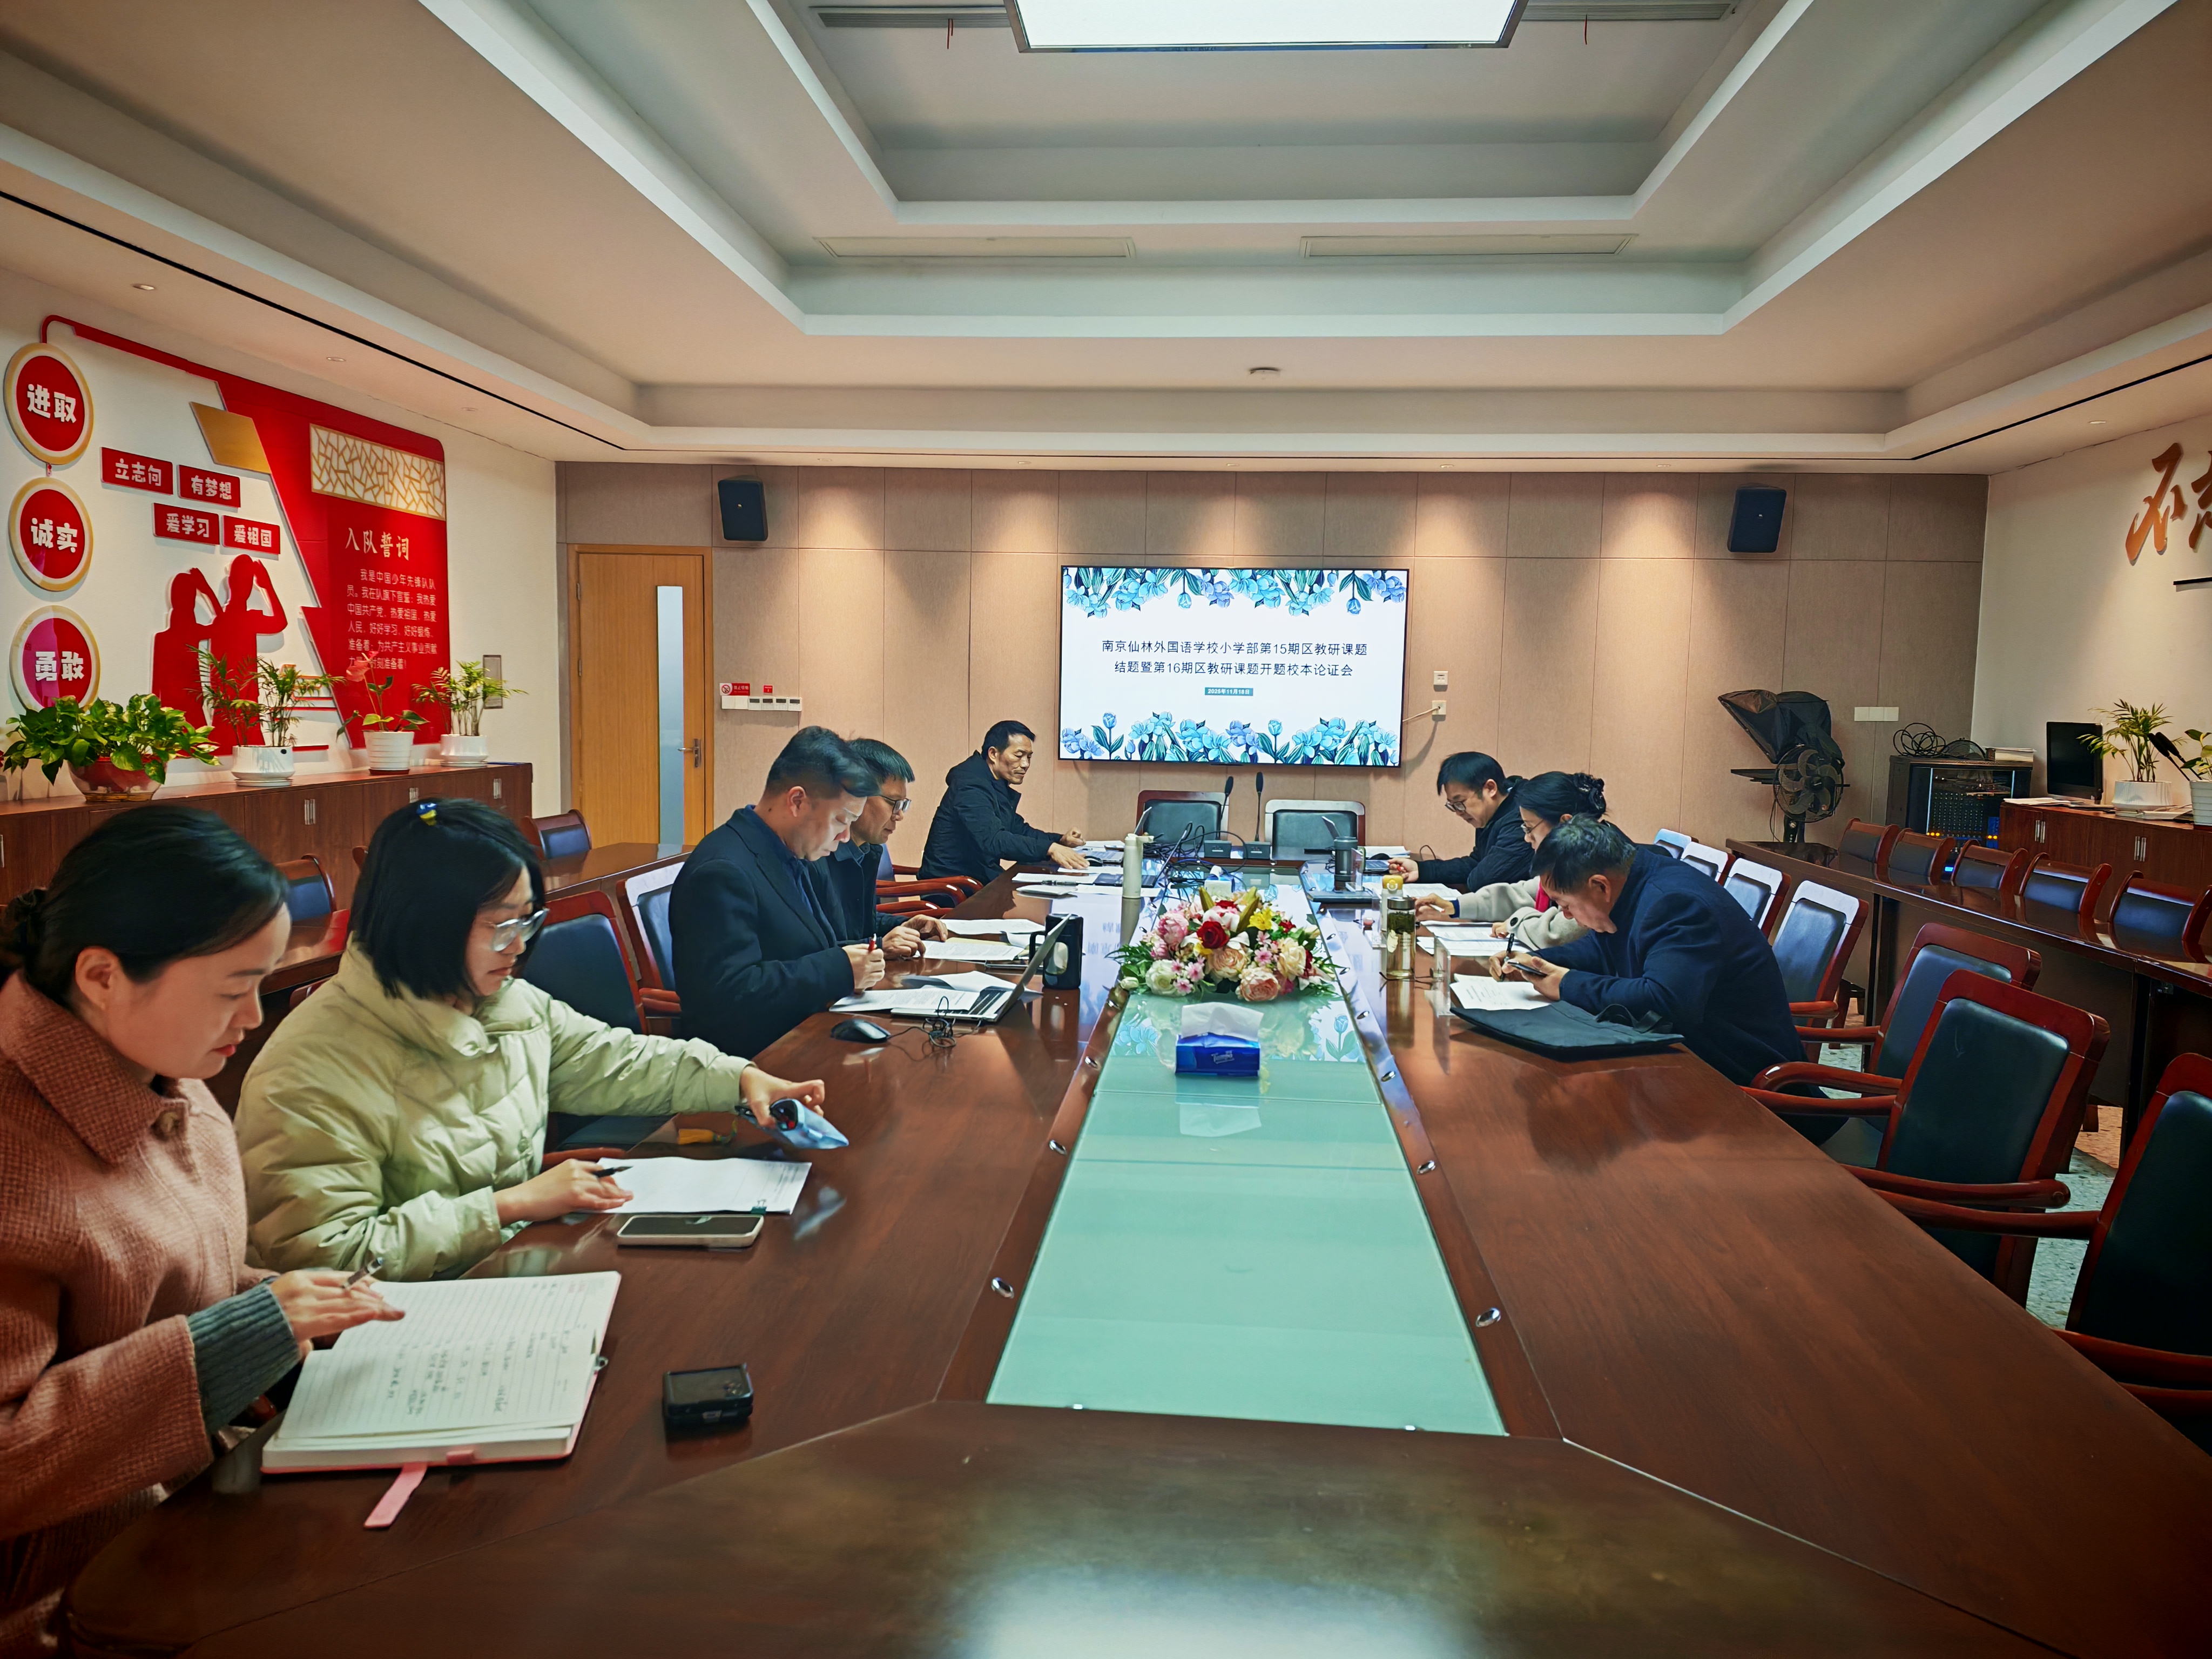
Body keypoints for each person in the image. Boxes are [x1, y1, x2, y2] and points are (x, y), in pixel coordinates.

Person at [0, 808, 399, 1651]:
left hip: (187, 1505)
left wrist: (295, 1309)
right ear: (102, 976)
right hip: (73, 1592)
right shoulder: (16, 1147)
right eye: (230, 990)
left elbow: (161, 1285)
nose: (253, 1017)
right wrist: (241, 1338)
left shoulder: (156, 1069)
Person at [237, 800, 821, 1280]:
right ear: (424, 923)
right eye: (501, 926)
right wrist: (506, 1207)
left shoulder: (504, 1001)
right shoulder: (312, 1068)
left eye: (529, 921)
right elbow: (324, 1258)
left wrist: (738, 1078)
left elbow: (616, 1061)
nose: (519, 947)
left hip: (512, 1274)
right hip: (401, 1325)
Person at [1503, 817, 1799, 1087]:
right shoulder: (1630, 879)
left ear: (1600, 886)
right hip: (1683, 1058)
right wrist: (1537, 962)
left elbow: (1664, 1000)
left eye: (1565, 905)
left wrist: (1566, 984)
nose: (1565, 915)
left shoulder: (1676, 905)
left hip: (1743, 1077)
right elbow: (1600, 948)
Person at [671, 727, 889, 1060]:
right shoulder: (722, 872)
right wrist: (841, 969)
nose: (845, 836)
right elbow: (728, 997)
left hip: (805, 1035)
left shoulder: (791, 853)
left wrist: (867, 954)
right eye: (840, 820)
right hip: (754, 1063)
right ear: (797, 801)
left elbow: (801, 949)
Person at [1415, 771, 1606, 950]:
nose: (1526, 838)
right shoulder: (1569, 858)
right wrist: (1455, 907)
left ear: (1564, 823)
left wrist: (1515, 923)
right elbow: (1523, 894)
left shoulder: (1594, 864)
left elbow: (1556, 933)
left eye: (1529, 828)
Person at [810, 738, 949, 960]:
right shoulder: (814, 856)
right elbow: (815, 950)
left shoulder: (869, 851)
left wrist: (906, 924)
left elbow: (861, 924)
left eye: (904, 804)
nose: (899, 815)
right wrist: (878, 947)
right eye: (893, 802)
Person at [918, 719, 1089, 884]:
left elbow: (1018, 830)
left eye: (1029, 757)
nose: (1025, 764)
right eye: (1019, 755)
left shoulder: (994, 783)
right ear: (993, 754)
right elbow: (994, 840)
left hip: (976, 879)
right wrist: (1049, 849)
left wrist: (1060, 841)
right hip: (952, 887)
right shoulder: (970, 786)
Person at [1387, 752, 1529, 892]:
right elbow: (1477, 862)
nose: (1458, 812)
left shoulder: (1523, 817)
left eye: (1460, 803)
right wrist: (1421, 870)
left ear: (1490, 788)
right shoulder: (1493, 814)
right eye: (1453, 806)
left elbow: (1483, 880)